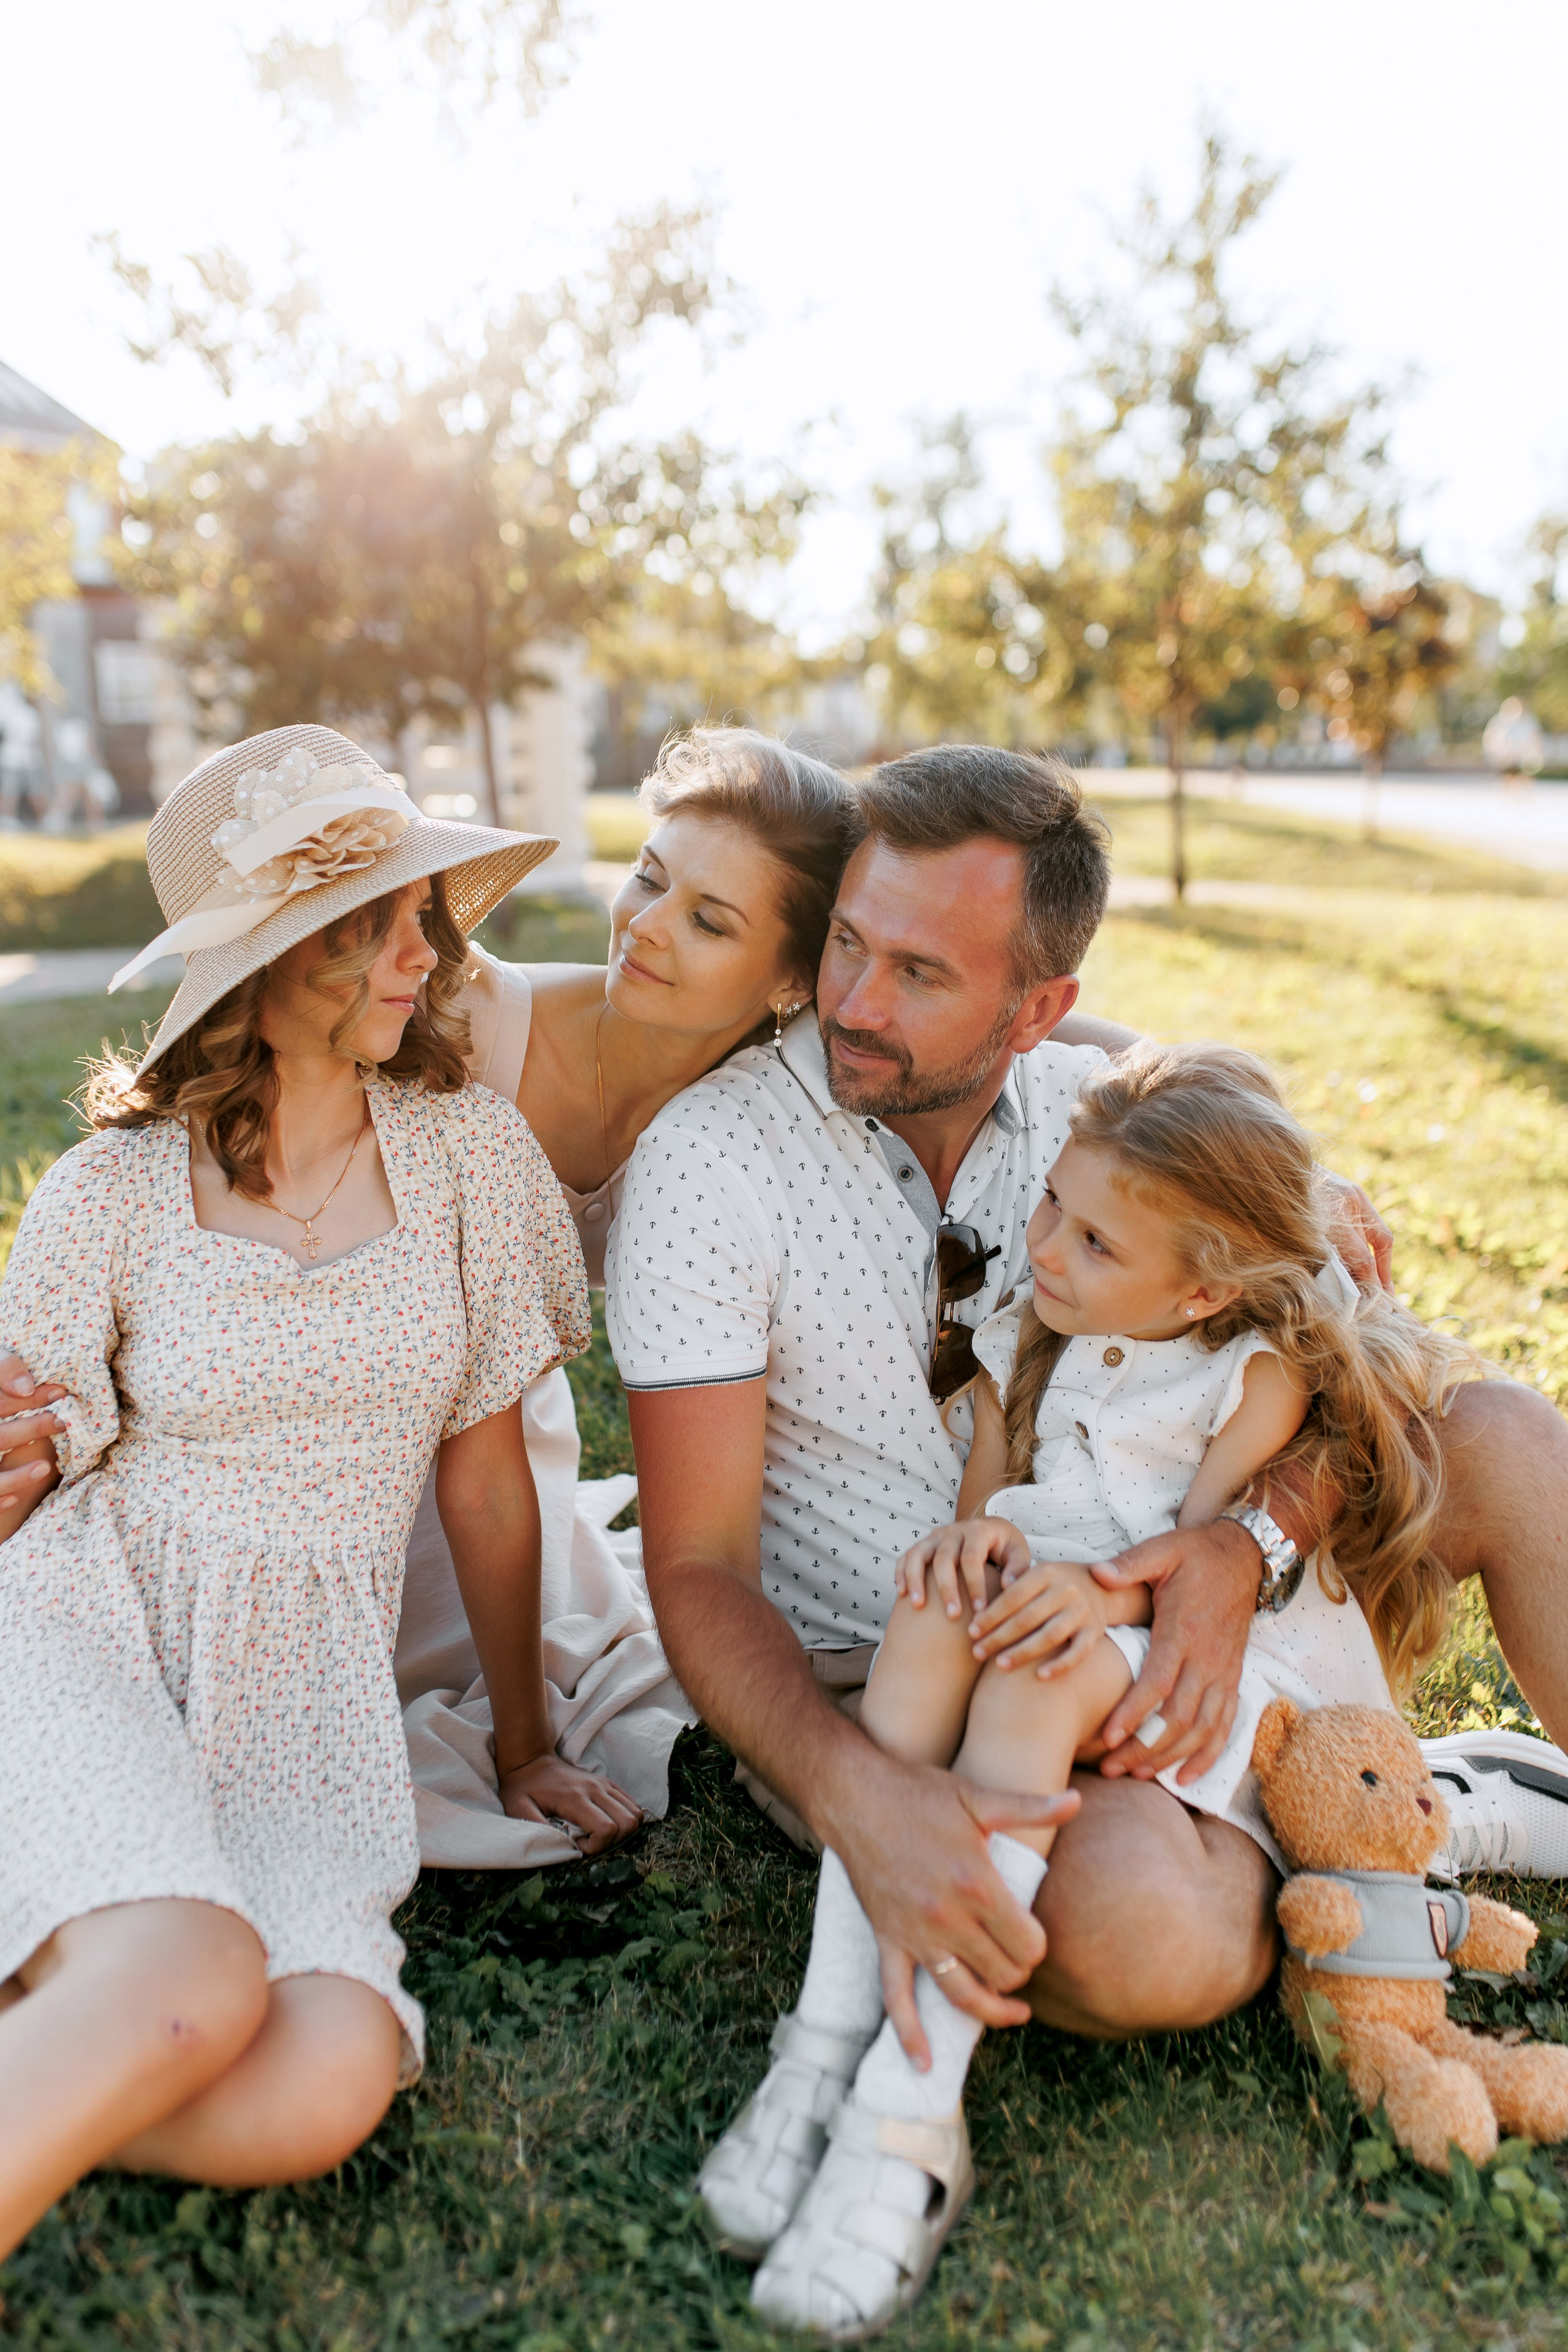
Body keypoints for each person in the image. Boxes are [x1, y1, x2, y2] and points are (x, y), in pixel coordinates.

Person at [606, 744, 1568, 2143]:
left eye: (921, 975)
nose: (854, 1006)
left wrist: (1241, 1548)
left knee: (1501, 1438)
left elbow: (1349, 1352)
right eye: (847, 946)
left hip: (1171, 1588)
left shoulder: (1100, 1103)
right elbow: (693, 1568)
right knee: (1130, 1947)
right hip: (924, 1673)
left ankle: (1366, 1801)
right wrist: (856, 1793)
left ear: (1039, 1004)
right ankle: (1376, 1826)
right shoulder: (709, 1160)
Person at [715, 1039, 1471, 2337]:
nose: (1049, 1247)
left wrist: (1087, 1592)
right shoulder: (1036, 1326)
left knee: (1030, 1664)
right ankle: (818, 2044)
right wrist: (975, 1549)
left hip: (1197, 1680)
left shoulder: (1248, 1376)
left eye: (1094, 1242)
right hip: (1064, 1623)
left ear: (1196, 1294)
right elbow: (995, 1510)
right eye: (1051, 1205)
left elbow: (1199, 1579)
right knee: (938, 1607)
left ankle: (907, 2114)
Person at [0, 725, 597, 2258]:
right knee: (187, 1977)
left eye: (427, 914)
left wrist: (522, 1743)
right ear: (262, 967)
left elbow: (485, 1485)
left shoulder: (470, 1159)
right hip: (93, 1632)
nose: (426, 954)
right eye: (376, 923)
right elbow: (25, 1455)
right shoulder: (112, 1192)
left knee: (327, 2074)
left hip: (300, 1704)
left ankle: (61, 2036)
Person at [393, 726, 863, 1862]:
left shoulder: (770, 1107)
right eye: (650, 877)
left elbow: (1022, 1035)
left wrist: (1183, 1074)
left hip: (500, 1444)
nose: (647, 925)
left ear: (794, 983)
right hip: (357, 1422)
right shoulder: (459, 1026)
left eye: (710, 920)